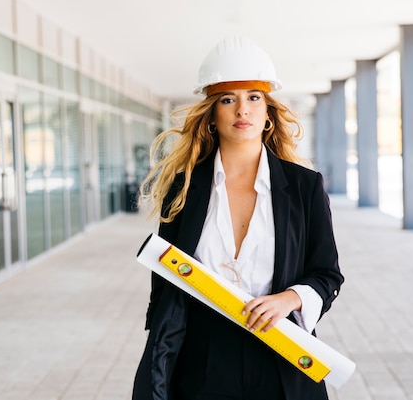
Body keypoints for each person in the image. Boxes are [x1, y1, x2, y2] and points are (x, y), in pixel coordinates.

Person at [132, 36, 344, 400]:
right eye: (228, 99)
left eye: (254, 97)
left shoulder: (304, 187)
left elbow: (327, 273)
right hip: (201, 361)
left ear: (267, 113)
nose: (242, 110)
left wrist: (290, 298)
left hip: (282, 356)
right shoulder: (183, 188)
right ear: (213, 114)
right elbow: (165, 285)